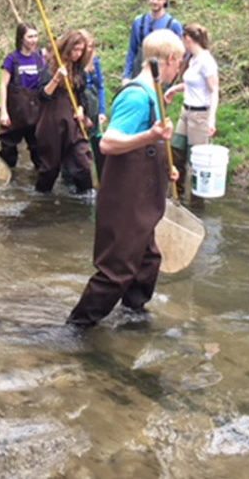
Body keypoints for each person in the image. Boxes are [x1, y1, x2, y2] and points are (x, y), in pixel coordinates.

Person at [67, 30, 185, 327]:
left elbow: (149, 141)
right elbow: (109, 142)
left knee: (147, 261)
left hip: (143, 199)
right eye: (179, 62)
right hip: (125, 201)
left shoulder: (155, 93)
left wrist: (163, 163)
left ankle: (133, 316)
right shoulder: (136, 95)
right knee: (116, 270)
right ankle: (77, 328)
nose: (179, 68)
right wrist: (150, 136)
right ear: (170, 59)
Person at [35, 30, 94, 194]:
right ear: (67, 48)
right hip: (51, 124)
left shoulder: (78, 69)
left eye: (81, 50)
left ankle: (87, 197)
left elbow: (81, 94)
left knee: (82, 161)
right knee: (50, 169)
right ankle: (41, 201)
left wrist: (82, 108)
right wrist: (57, 79)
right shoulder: (50, 66)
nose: (78, 54)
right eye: (75, 50)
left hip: (72, 124)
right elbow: (43, 95)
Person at [164, 23, 219, 201]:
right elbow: (191, 83)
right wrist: (174, 90)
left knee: (197, 160)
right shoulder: (193, 59)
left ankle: (197, 202)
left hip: (200, 115)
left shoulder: (206, 61)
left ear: (188, 39)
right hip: (186, 112)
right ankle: (175, 196)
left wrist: (211, 120)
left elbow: (214, 90)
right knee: (176, 152)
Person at [0, 22, 45, 170]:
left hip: (35, 112)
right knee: (8, 151)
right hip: (15, 112)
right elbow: (3, 85)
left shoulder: (39, 59)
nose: (34, 40)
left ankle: (39, 183)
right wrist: (3, 111)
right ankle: (7, 178)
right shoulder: (12, 59)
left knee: (39, 151)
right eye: (30, 36)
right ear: (21, 38)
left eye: (36, 36)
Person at [122, 0, 184, 83]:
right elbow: (132, 51)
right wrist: (126, 76)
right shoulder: (138, 22)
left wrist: (174, 80)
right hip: (140, 73)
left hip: (162, 76)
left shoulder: (173, 25)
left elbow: (179, 55)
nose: (155, 1)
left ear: (165, 1)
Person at [84, 37, 108, 177]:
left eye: (91, 47)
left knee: (98, 144)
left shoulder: (95, 62)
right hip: (81, 108)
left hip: (94, 106)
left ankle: (102, 177)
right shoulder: (75, 64)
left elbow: (100, 87)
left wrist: (102, 110)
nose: (89, 50)